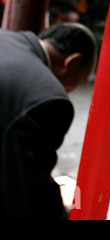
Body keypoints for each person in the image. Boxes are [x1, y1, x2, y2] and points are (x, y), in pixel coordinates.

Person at [0, 22, 97, 219]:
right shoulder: (48, 99)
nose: (71, 90)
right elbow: (27, 185)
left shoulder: (6, 37)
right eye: (77, 83)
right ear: (72, 62)